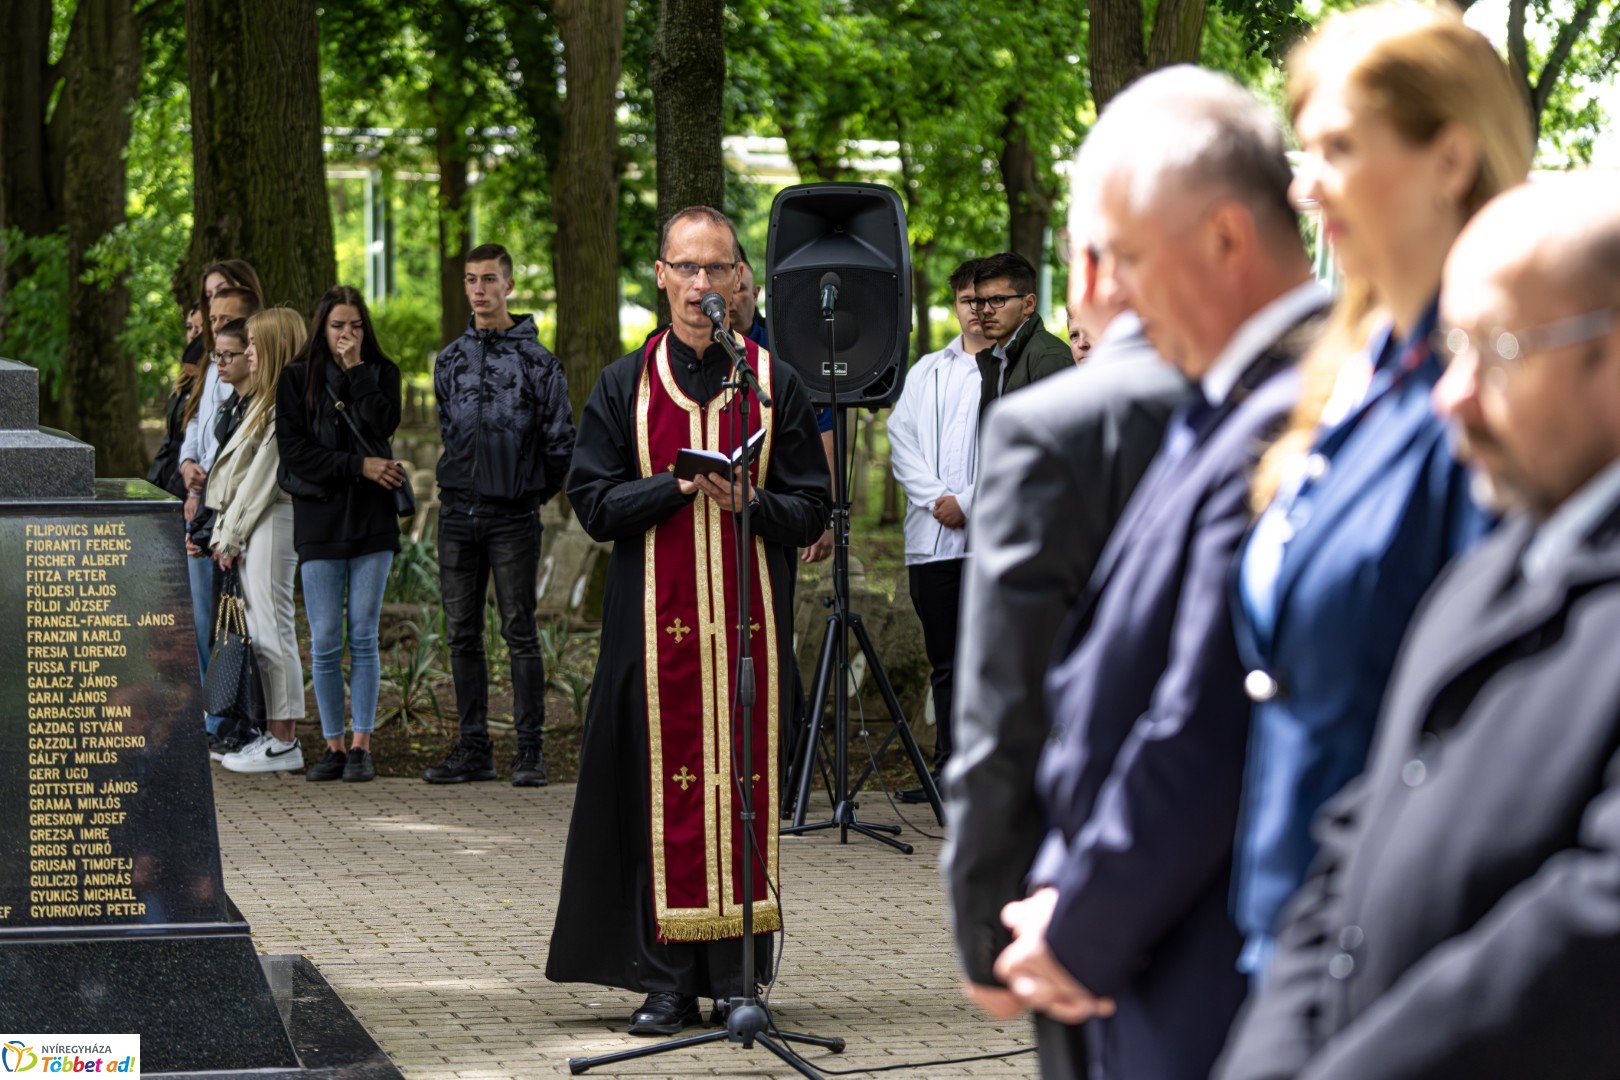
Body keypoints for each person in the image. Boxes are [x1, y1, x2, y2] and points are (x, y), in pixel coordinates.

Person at [1216, 174, 1620, 1080]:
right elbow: (1356, 838)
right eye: (1452, 350)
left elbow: (1591, 935)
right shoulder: (1481, 581)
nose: (1453, 397)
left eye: (1501, 351)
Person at [993, 67, 1327, 1080]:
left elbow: (1205, 711)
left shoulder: (1292, 412)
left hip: (1194, 961)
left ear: (1225, 238)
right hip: (1128, 942)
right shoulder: (1216, 404)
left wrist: (1084, 923)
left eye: (1130, 257)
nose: (1114, 296)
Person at [1229, 3, 1531, 985]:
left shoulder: (1490, 394)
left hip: (1402, 949)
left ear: (1451, 160)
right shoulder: (1356, 369)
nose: (1304, 184)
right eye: (1304, 148)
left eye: (1341, 147)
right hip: (1289, 923)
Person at [546, 206, 831, 1035]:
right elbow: (592, 503)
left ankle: (741, 979)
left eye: (718, 269)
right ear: (662, 276)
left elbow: (813, 509)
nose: (702, 286)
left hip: (751, 638)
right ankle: (665, 980)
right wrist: (672, 485)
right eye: (687, 268)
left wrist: (757, 503)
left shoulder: (776, 385)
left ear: (742, 280)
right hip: (652, 632)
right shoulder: (621, 385)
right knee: (654, 801)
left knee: (746, 794)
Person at [942, 223, 1189, 1074]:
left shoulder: (1061, 425)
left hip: (1098, 865)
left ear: (1082, 275)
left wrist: (987, 914)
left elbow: (1008, 698)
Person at [424, 243, 576, 787]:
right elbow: (449, 429)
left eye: (489, 279)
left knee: (519, 629)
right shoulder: (450, 359)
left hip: (513, 516)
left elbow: (560, 441)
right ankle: (473, 747)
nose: (479, 289)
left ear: (508, 285)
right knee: (461, 632)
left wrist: (529, 491)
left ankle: (529, 750)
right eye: (471, 280)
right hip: (458, 513)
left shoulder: (539, 362)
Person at [276, 286, 406, 784]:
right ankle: (331, 743)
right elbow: (296, 454)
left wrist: (356, 373)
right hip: (321, 522)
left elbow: (382, 421)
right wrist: (359, 466)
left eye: (354, 326)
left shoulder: (382, 374)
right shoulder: (295, 379)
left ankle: (361, 746)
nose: (346, 335)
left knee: (365, 634)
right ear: (321, 328)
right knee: (327, 638)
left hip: (372, 521)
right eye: (337, 327)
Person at [885, 259, 987, 802]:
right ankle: (946, 771)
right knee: (945, 662)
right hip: (931, 544)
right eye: (966, 300)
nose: (975, 310)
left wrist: (968, 502)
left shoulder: (1007, 370)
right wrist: (936, 501)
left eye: (984, 299)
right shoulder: (928, 370)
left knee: (984, 661)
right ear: (956, 305)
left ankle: (981, 774)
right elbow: (902, 440)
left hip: (985, 542)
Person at [205, 309, 309, 774]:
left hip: (270, 520)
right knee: (263, 628)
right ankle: (274, 733)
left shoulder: (282, 402)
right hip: (255, 523)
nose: (247, 352)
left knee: (271, 629)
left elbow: (262, 479)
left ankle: (285, 738)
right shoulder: (266, 401)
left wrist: (229, 535)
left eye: (253, 343)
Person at [180, 269, 264, 756]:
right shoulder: (210, 368)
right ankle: (211, 712)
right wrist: (189, 466)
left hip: (230, 508)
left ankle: (234, 717)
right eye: (211, 317)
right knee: (203, 615)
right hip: (202, 500)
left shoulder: (255, 383)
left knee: (234, 619)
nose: (216, 326)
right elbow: (196, 425)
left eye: (227, 317)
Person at [972, 251, 1071, 415]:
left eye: (998, 300)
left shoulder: (1050, 357)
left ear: (1029, 304)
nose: (986, 310)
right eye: (980, 301)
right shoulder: (993, 359)